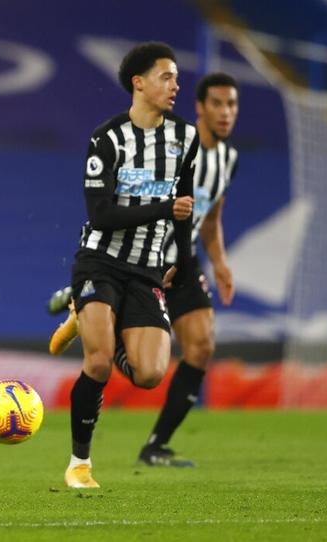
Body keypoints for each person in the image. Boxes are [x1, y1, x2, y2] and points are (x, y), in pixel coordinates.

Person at [48, 73, 239, 468]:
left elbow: (210, 216)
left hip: (181, 260)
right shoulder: (168, 146)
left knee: (198, 347)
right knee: (104, 357)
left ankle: (156, 445)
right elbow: (112, 205)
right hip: (139, 260)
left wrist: (218, 263)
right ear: (200, 108)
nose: (226, 113)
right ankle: (89, 300)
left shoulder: (227, 160)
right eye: (217, 103)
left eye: (233, 104)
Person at [56, 42, 199, 489]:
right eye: (166, 77)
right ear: (139, 83)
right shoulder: (107, 138)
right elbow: (101, 215)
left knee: (150, 375)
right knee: (98, 363)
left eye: (176, 77)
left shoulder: (186, 139)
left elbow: (185, 207)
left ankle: (91, 316)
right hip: (100, 260)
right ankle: (79, 464)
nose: (176, 85)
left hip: (147, 269)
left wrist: (180, 260)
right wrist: (163, 209)